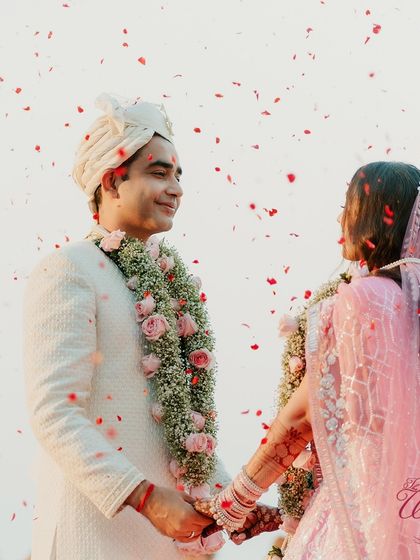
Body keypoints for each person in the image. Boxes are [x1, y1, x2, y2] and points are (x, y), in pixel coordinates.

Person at [23, 93, 230, 560]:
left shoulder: (170, 285)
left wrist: (236, 501)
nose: (176, 188)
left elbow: (176, 424)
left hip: (164, 546)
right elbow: (54, 412)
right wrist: (145, 498)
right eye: (159, 173)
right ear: (112, 182)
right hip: (91, 541)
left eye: (178, 176)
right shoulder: (70, 269)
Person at [200, 161, 420, 559]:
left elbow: (300, 420)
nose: (340, 217)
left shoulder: (365, 300)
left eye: (348, 205)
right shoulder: (412, 301)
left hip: (366, 512)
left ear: (374, 217)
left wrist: (232, 504)